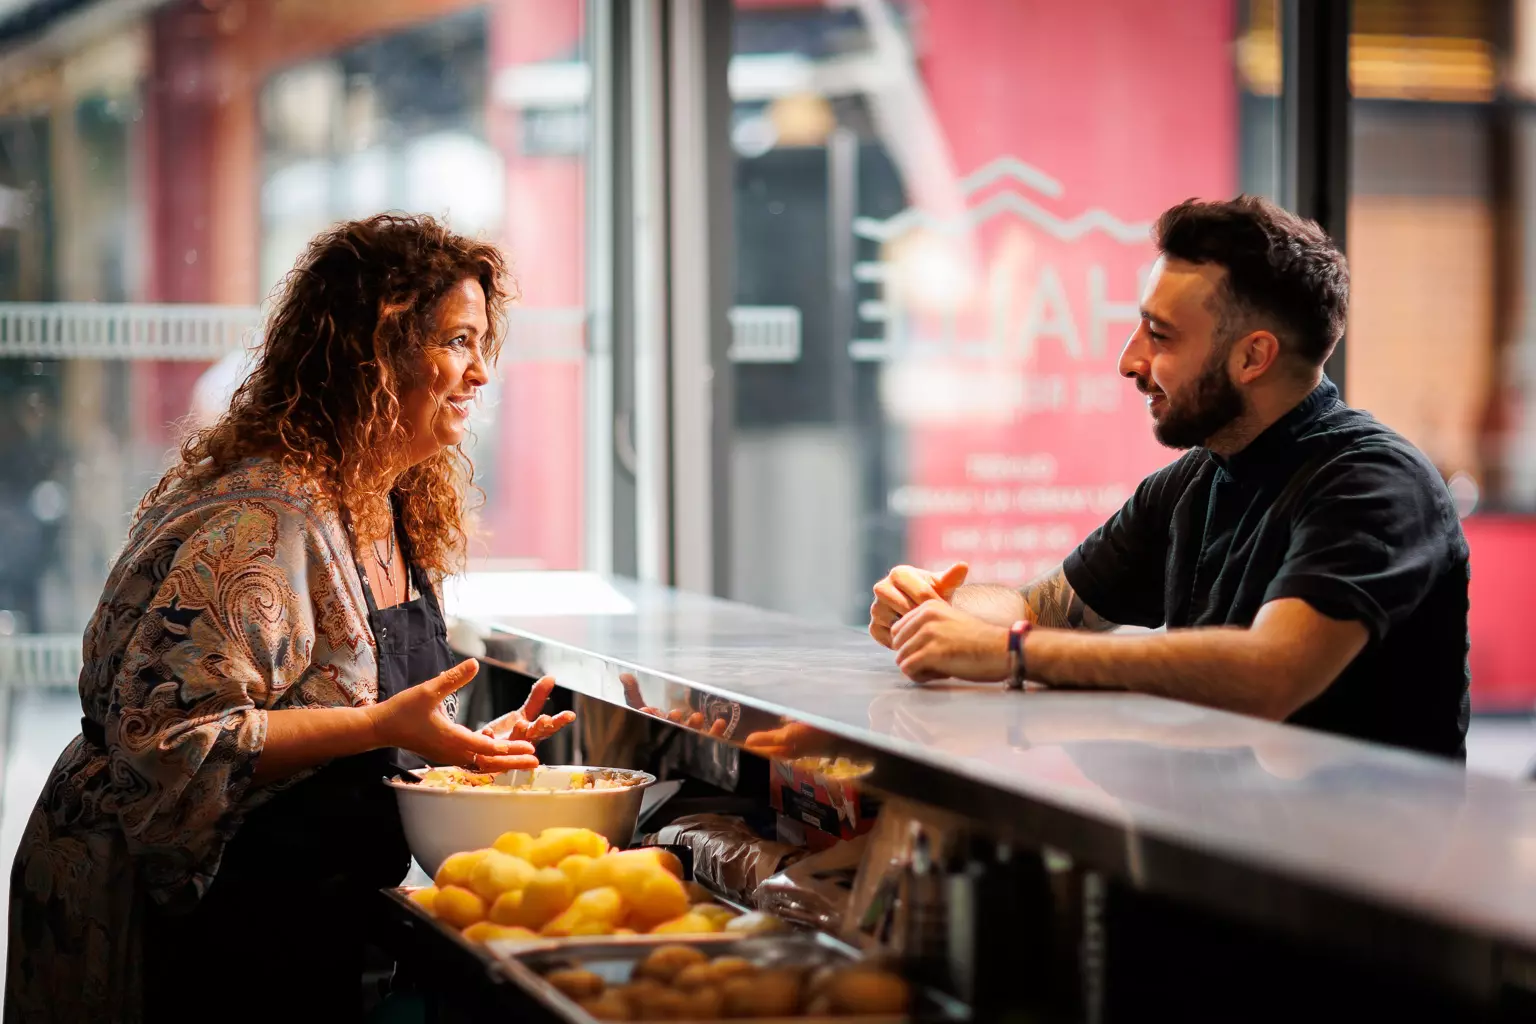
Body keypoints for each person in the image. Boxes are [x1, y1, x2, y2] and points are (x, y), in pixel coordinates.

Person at [6, 214, 576, 1022]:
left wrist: (457, 751)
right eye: (455, 341)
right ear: (374, 355)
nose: (480, 372)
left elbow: (347, 708)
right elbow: (166, 745)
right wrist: (387, 723)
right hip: (193, 929)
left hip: (308, 911)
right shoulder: (262, 526)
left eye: (484, 343)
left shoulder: (389, 501)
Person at [869, 196, 1471, 760]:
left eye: (1160, 335)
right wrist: (934, 610)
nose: (1129, 361)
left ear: (1252, 357)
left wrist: (1011, 654)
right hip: (1227, 852)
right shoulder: (1195, 480)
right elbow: (1040, 609)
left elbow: (1272, 674)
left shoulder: (1374, 483)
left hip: (1360, 865)